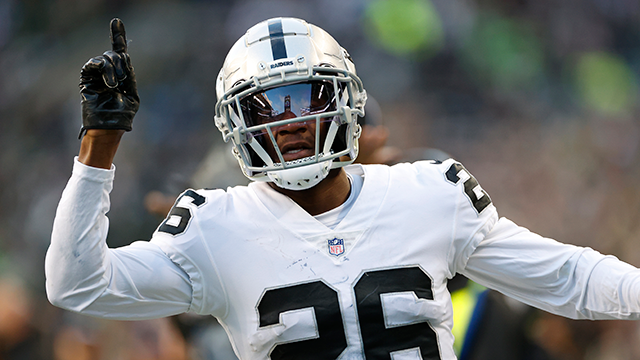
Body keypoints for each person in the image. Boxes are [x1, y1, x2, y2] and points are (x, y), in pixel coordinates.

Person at [45, 17, 640, 360]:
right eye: (265, 106)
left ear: (344, 101)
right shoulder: (212, 225)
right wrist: (101, 142)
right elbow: (76, 284)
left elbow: (567, 278)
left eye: (304, 98)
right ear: (236, 124)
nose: (288, 121)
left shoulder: (428, 192)